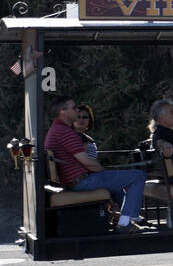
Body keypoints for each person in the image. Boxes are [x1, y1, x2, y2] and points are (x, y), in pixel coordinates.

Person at [46, 96, 148, 233]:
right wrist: (102, 170)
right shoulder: (65, 133)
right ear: (62, 112)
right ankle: (126, 222)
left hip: (73, 181)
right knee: (138, 175)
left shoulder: (56, 130)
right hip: (82, 182)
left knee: (118, 183)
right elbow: (88, 163)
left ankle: (125, 218)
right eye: (73, 108)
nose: (77, 110)